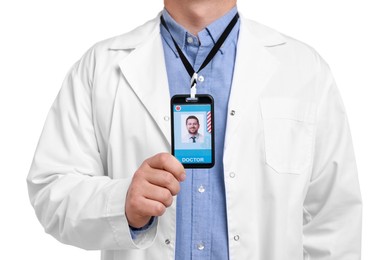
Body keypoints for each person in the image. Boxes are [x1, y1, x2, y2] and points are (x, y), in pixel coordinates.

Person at [27, 0, 362, 259]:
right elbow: (51, 189)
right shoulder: (99, 68)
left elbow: (334, 222)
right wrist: (121, 204)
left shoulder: (305, 71)